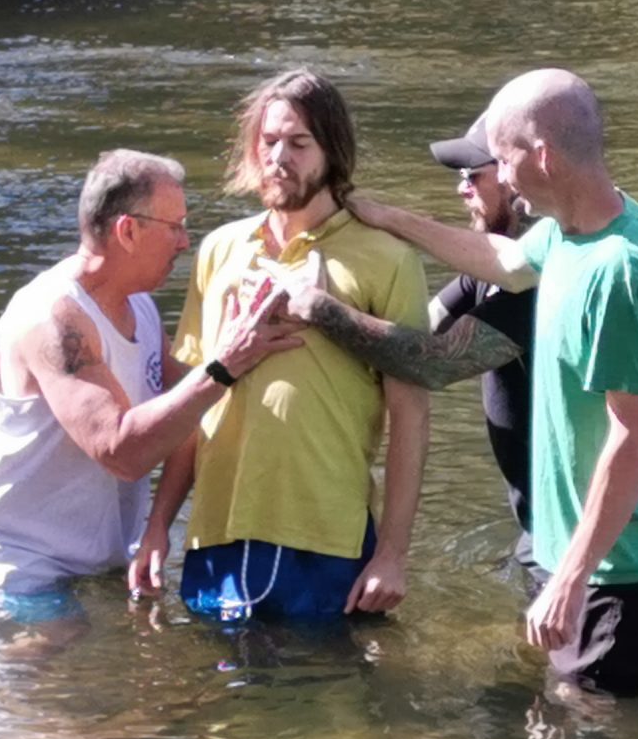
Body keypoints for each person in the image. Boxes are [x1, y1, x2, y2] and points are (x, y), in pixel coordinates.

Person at [346, 69, 638, 697]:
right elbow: (501, 262)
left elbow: (635, 440)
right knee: (592, 724)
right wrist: (391, 218)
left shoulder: (620, 272)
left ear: (543, 156)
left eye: (503, 160)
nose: (498, 177)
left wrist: (571, 579)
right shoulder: (567, 229)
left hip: (618, 569)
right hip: (584, 561)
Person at [0, 149, 298, 629]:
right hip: (6, 557)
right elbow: (120, 450)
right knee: (52, 662)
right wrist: (225, 362)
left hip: (89, 554)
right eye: (176, 226)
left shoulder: (139, 306)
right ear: (128, 230)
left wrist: (157, 527)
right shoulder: (53, 317)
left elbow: (185, 413)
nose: (186, 242)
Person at [139, 69, 432, 622]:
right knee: (220, 701)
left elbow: (411, 414)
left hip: (325, 536)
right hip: (217, 531)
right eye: (269, 142)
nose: (279, 157)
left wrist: (393, 555)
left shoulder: (387, 258)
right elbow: (195, 399)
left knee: (325, 696)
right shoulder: (221, 250)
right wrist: (158, 525)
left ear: (332, 152)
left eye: (299, 144)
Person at [270, 111, 539, 553]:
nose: (461, 188)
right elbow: (416, 327)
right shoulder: (486, 277)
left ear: (513, 174)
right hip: (541, 527)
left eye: (473, 175)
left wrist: (319, 307)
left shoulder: (539, 283)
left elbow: (433, 362)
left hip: (581, 537)